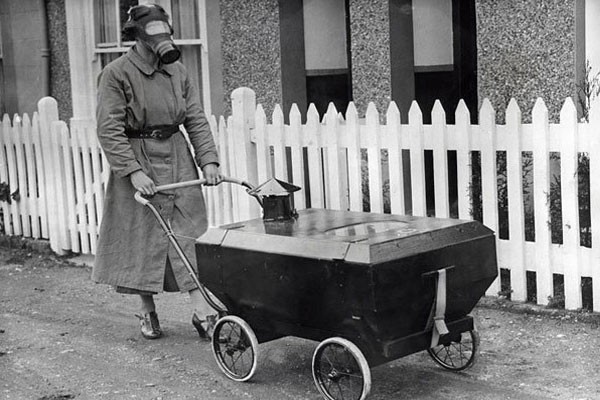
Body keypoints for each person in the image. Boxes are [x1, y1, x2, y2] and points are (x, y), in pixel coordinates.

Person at [92, 4, 220, 341]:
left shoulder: (178, 71)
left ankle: (202, 309)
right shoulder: (116, 73)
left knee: (190, 230)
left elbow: (194, 118)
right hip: (138, 157)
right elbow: (109, 130)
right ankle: (146, 310)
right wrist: (132, 172)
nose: (162, 41)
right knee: (140, 235)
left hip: (177, 153)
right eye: (154, 34)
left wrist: (208, 161)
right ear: (137, 37)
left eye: (166, 32)